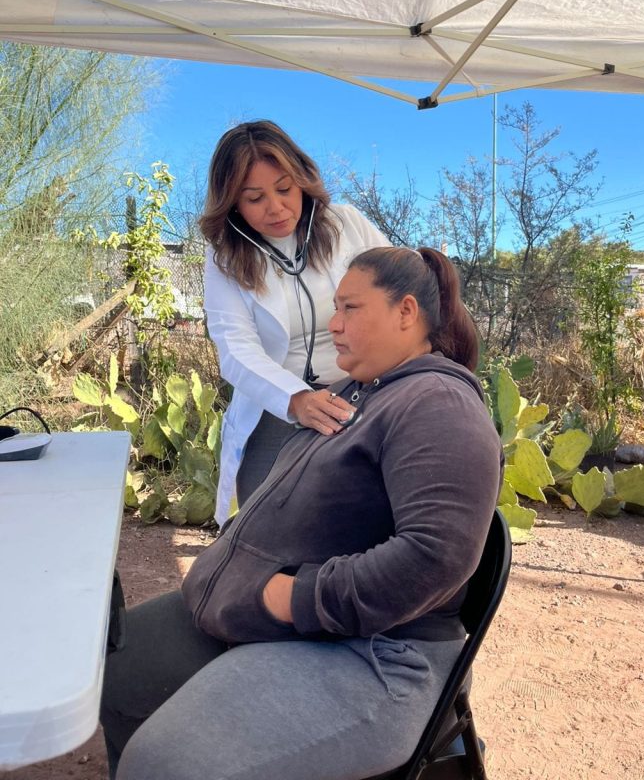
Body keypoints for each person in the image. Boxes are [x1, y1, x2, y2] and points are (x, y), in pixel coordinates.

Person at [100, 246, 504, 780]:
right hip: (261, 614)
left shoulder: (437, 403)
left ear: (406, 312)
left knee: (164, 764)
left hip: (374, 655)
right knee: (115, 672)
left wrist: (292, 597)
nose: (333, 325)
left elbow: (435, 557)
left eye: (350, 308)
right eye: (334, 309)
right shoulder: (358, 392)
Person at [199, 120, 389, 524]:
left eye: (284, 189)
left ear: (302, 181)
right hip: (279, 401)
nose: (276, 208)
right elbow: (235, 349)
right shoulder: (224, 259)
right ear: (232, 204)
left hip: (365, 391)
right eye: (255, 198)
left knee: (362, 519)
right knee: (263, 520)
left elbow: (399, 286)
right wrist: (297, 400)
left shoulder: (346, 224)